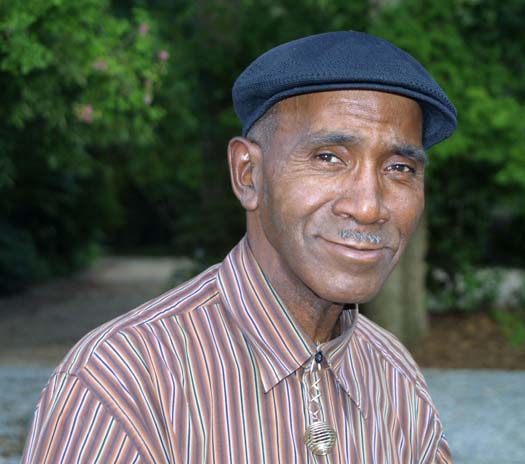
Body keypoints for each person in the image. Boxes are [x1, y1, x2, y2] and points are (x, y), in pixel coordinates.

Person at [22, 31, 457, 463]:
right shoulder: (127, 384)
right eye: (328, 157)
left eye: (399, 167)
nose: (367, 206)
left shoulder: (395, 377)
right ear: (248, 173)